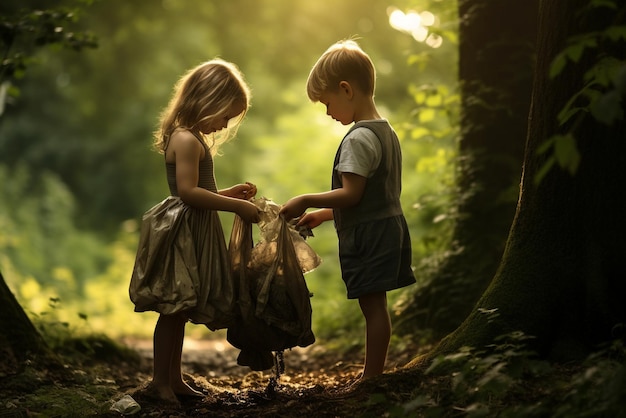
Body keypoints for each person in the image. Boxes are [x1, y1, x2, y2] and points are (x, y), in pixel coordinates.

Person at [279, 40, 416, 380]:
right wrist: (325, 215)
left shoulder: (358, 139)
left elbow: (352, 194)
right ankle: (374, 373)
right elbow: (370, 194)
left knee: (372, 307)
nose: (327, 112)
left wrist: (307, 200)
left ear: (346, 89)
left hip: (369, 236)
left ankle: (371, 378)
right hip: (388, 226)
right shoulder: (386, 132)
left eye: (327, 102)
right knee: (376, 305)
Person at [129, 59, 260, 403]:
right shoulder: (186, 139)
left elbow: (200, 189)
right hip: (182, 233)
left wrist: (229, 193)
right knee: (173, 307)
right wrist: (237, 207)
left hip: (194, 226)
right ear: (207, 100)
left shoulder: (192, 137)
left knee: (182, 308)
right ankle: (160, 381)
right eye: (224, 116)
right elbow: (188, 192)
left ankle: (174, 378)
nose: (224, 124)